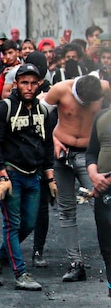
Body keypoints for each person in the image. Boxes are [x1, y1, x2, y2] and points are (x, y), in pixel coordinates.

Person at [0, 64, 55, 291]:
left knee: (29, 224)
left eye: (34, 83)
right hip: (11, 174)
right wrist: (2, 177)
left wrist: (50, 177)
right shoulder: (2, 108)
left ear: (40, 84)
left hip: (33, 176)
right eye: (24, 82)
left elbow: (46, 145)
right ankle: (20, 273)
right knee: (12, 225)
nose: (29, 87)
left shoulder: (42, 111)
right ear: (16, 84)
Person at [42, 74, 110, 281]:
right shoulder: (61, 89)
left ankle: (108, 259)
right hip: (62, 154)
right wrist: (52, 138)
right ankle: (75, 263)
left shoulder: (104, 87)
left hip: (88, 155)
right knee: (66, 209)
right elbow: (38, 114)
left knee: (101, 205)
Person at [85, 105, 111, 308]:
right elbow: (92, 150)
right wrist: (94, 174)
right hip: (104, 194)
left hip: (106, 186)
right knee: (109, 249)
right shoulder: (103, 115)